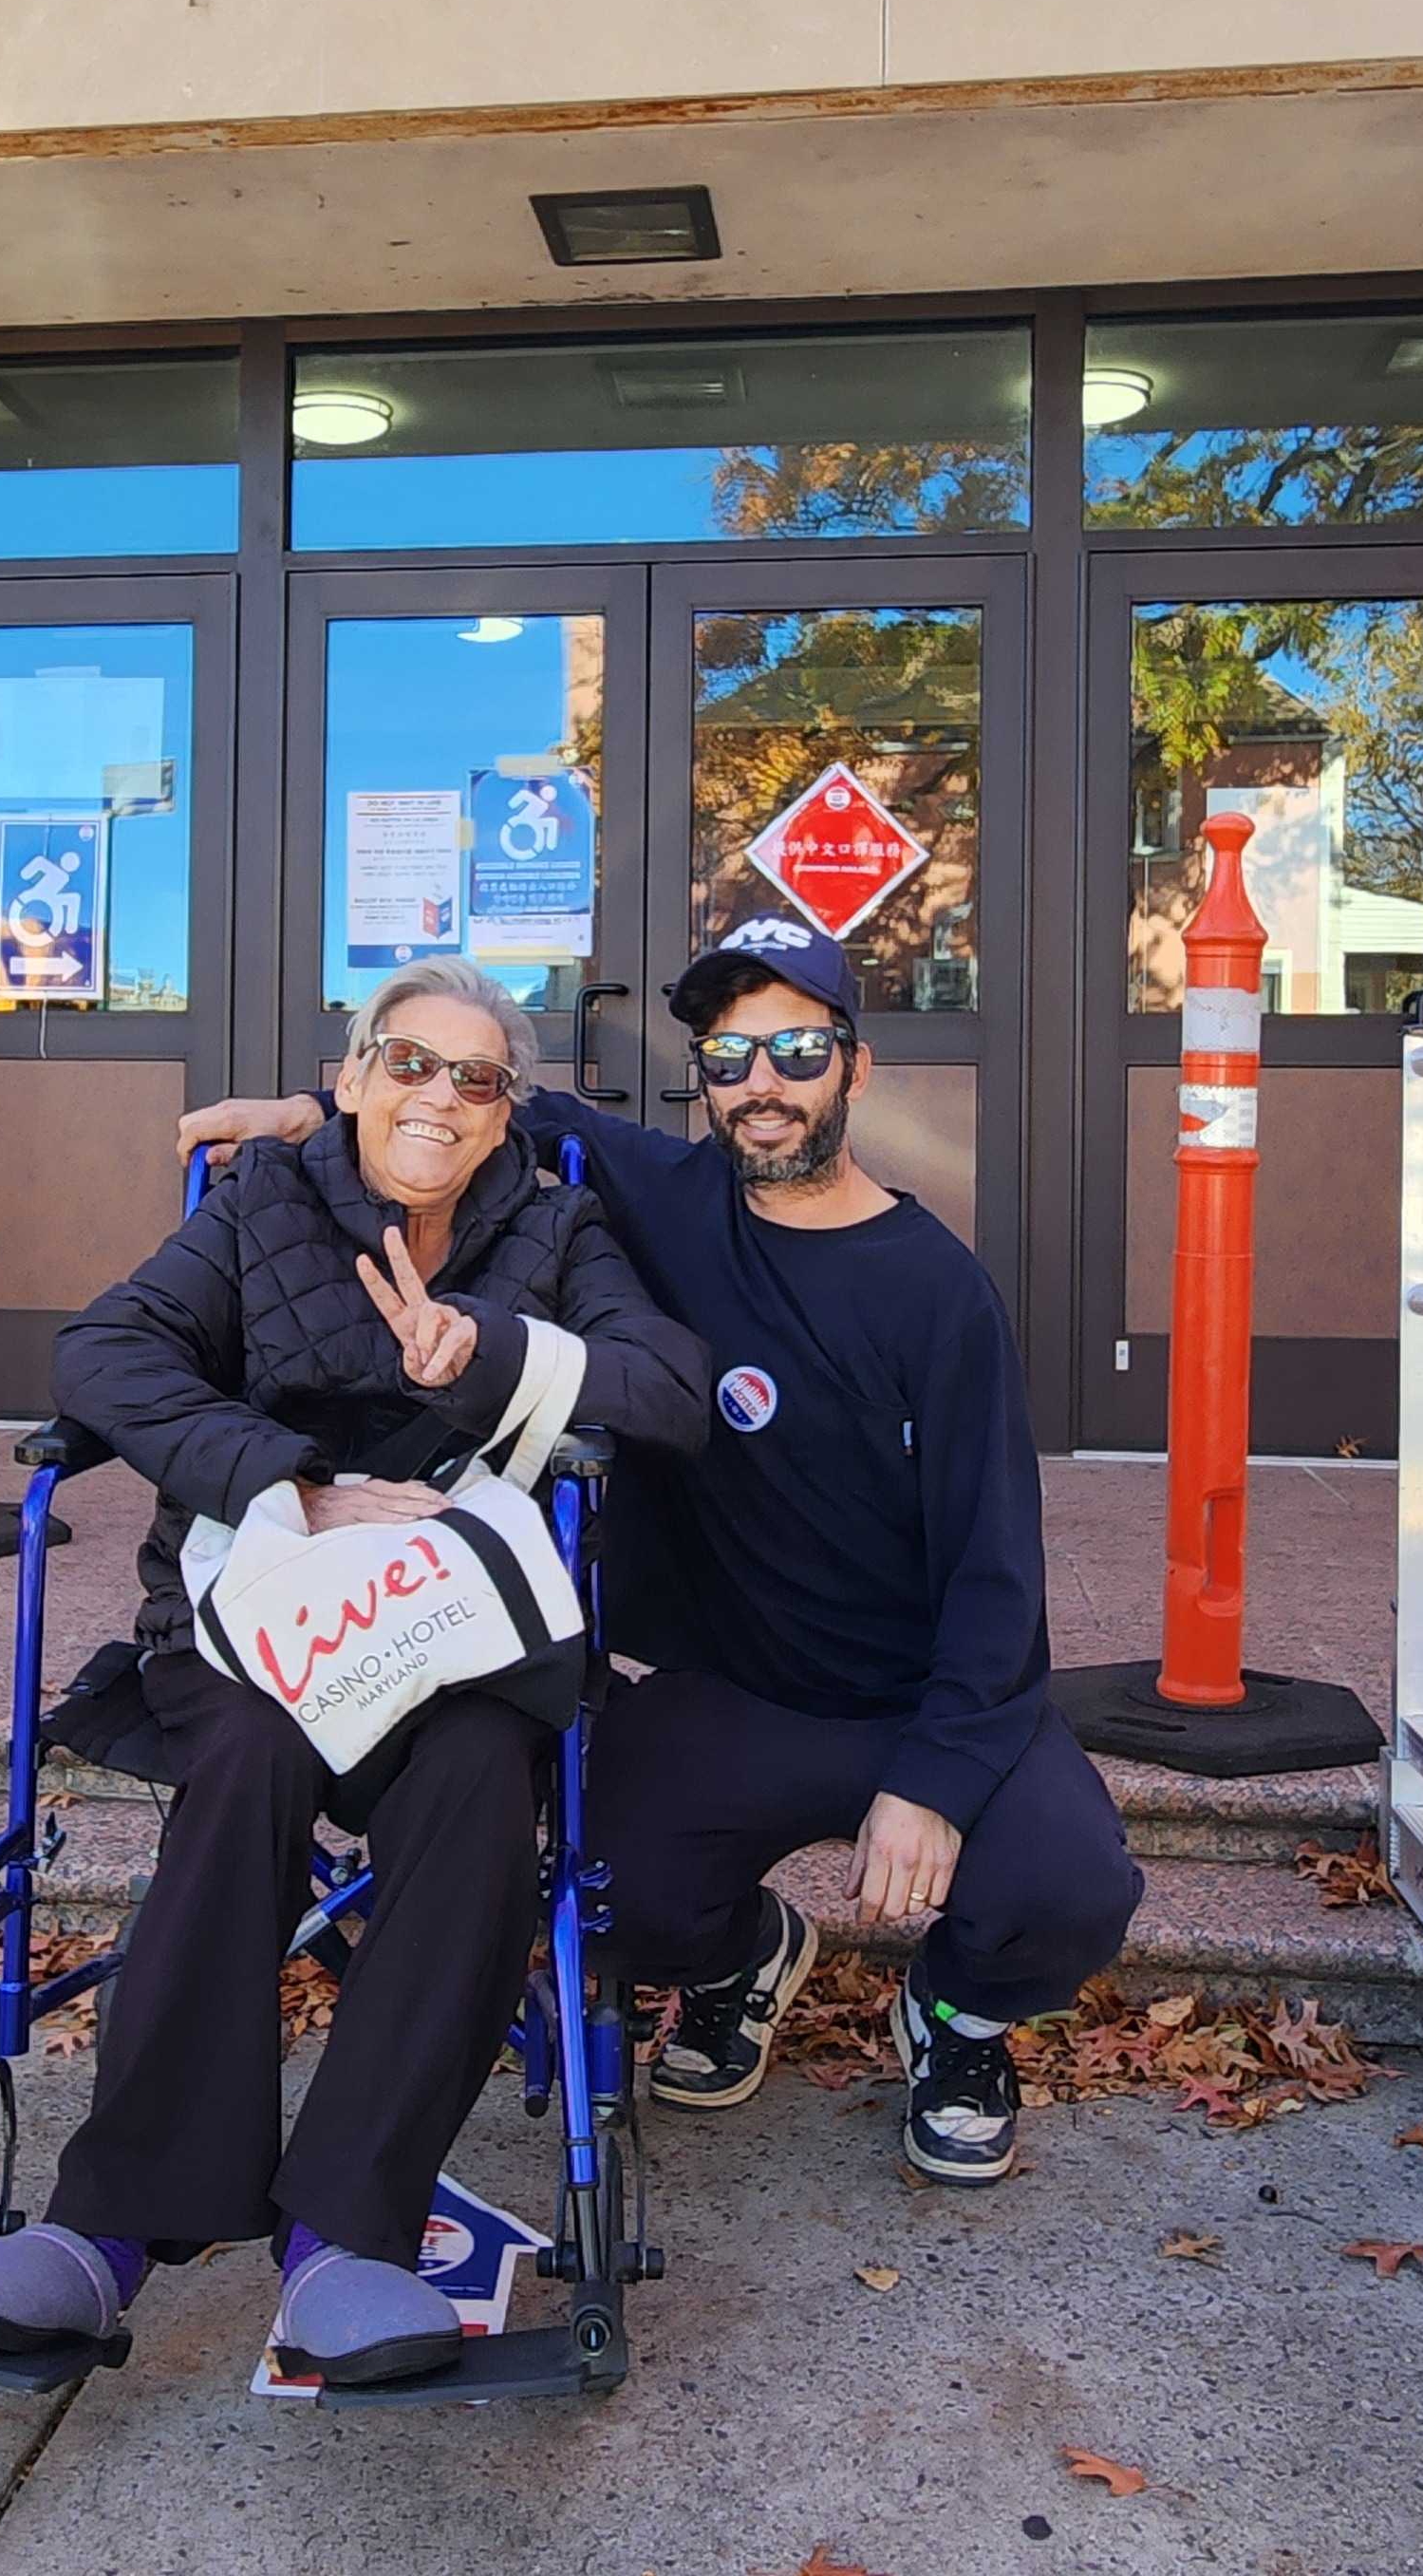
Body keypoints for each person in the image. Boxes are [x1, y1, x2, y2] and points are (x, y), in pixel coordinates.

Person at [183, 916, 1142, 2191]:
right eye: (730, 1057)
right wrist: (313, 1108)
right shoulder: (670, 1198)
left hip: (923, 1692)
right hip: (736, 1690)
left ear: (855, 1068)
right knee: (604, 1894)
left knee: (1069, 1888)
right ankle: (744, 1959)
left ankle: (957, 2021)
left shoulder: (940, 1291)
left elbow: (995, 1568)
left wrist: (938, 1779)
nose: (762, 1084)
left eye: (797, 1050)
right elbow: (490, 1104)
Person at [0, 956, 707, 2387]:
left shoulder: (555, 1223)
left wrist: (494, 1354)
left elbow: (669, 1388)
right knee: (251, 1756)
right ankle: (107, 2228)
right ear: (349, 1080)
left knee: (482, 1774)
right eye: (409, 1062)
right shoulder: (262, 1205)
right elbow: (103, 1354)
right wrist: (295, 1483)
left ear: (506, 1113)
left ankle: (346, 2233)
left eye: (477, 1079)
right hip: (254, 1615)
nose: (440, 1096)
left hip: (451, 1638)